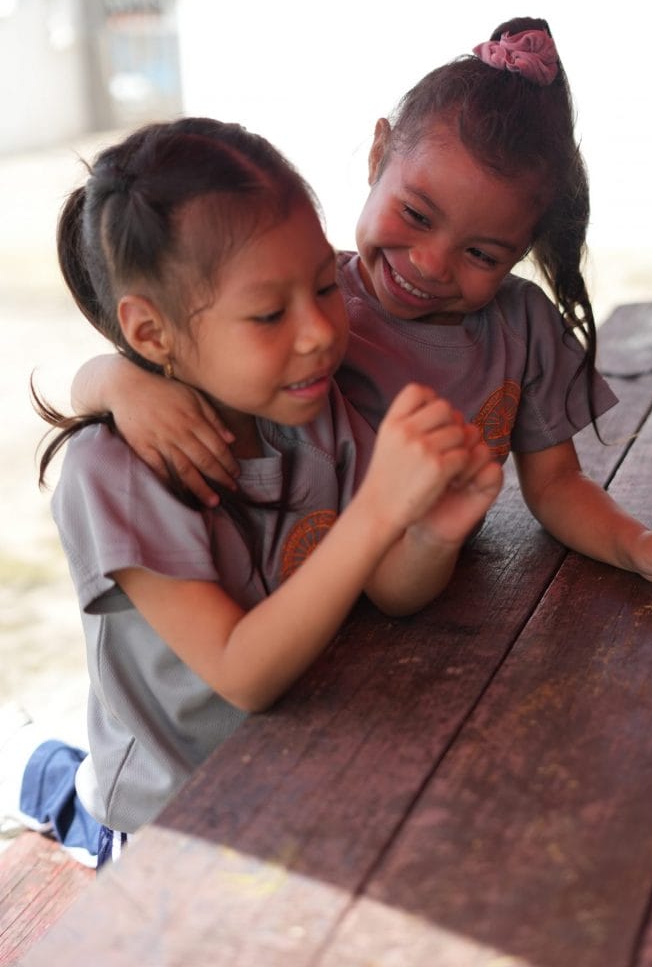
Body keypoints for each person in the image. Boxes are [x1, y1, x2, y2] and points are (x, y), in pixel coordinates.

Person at [20, 117, 502, 868]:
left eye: (322, 286)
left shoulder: (308, 408)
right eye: (270, 314)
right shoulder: (114, 471)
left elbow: (392, 591)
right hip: (177, 812)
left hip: (312, 760)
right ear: (152, 335)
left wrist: (428, 532)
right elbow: (242, 673)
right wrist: (378, 510)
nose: (317, 332)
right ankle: (49, 779)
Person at [70, 17, 652, 584]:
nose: (431, 264)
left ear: (522, 250)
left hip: (424, 600)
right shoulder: (306, 307)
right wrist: (119, 383)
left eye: (483, 255)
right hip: (296, 608)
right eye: (415, 213)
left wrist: (634, 544)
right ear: (377, 153)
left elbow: (556, 484)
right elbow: (166, 352)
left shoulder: (522, 328)